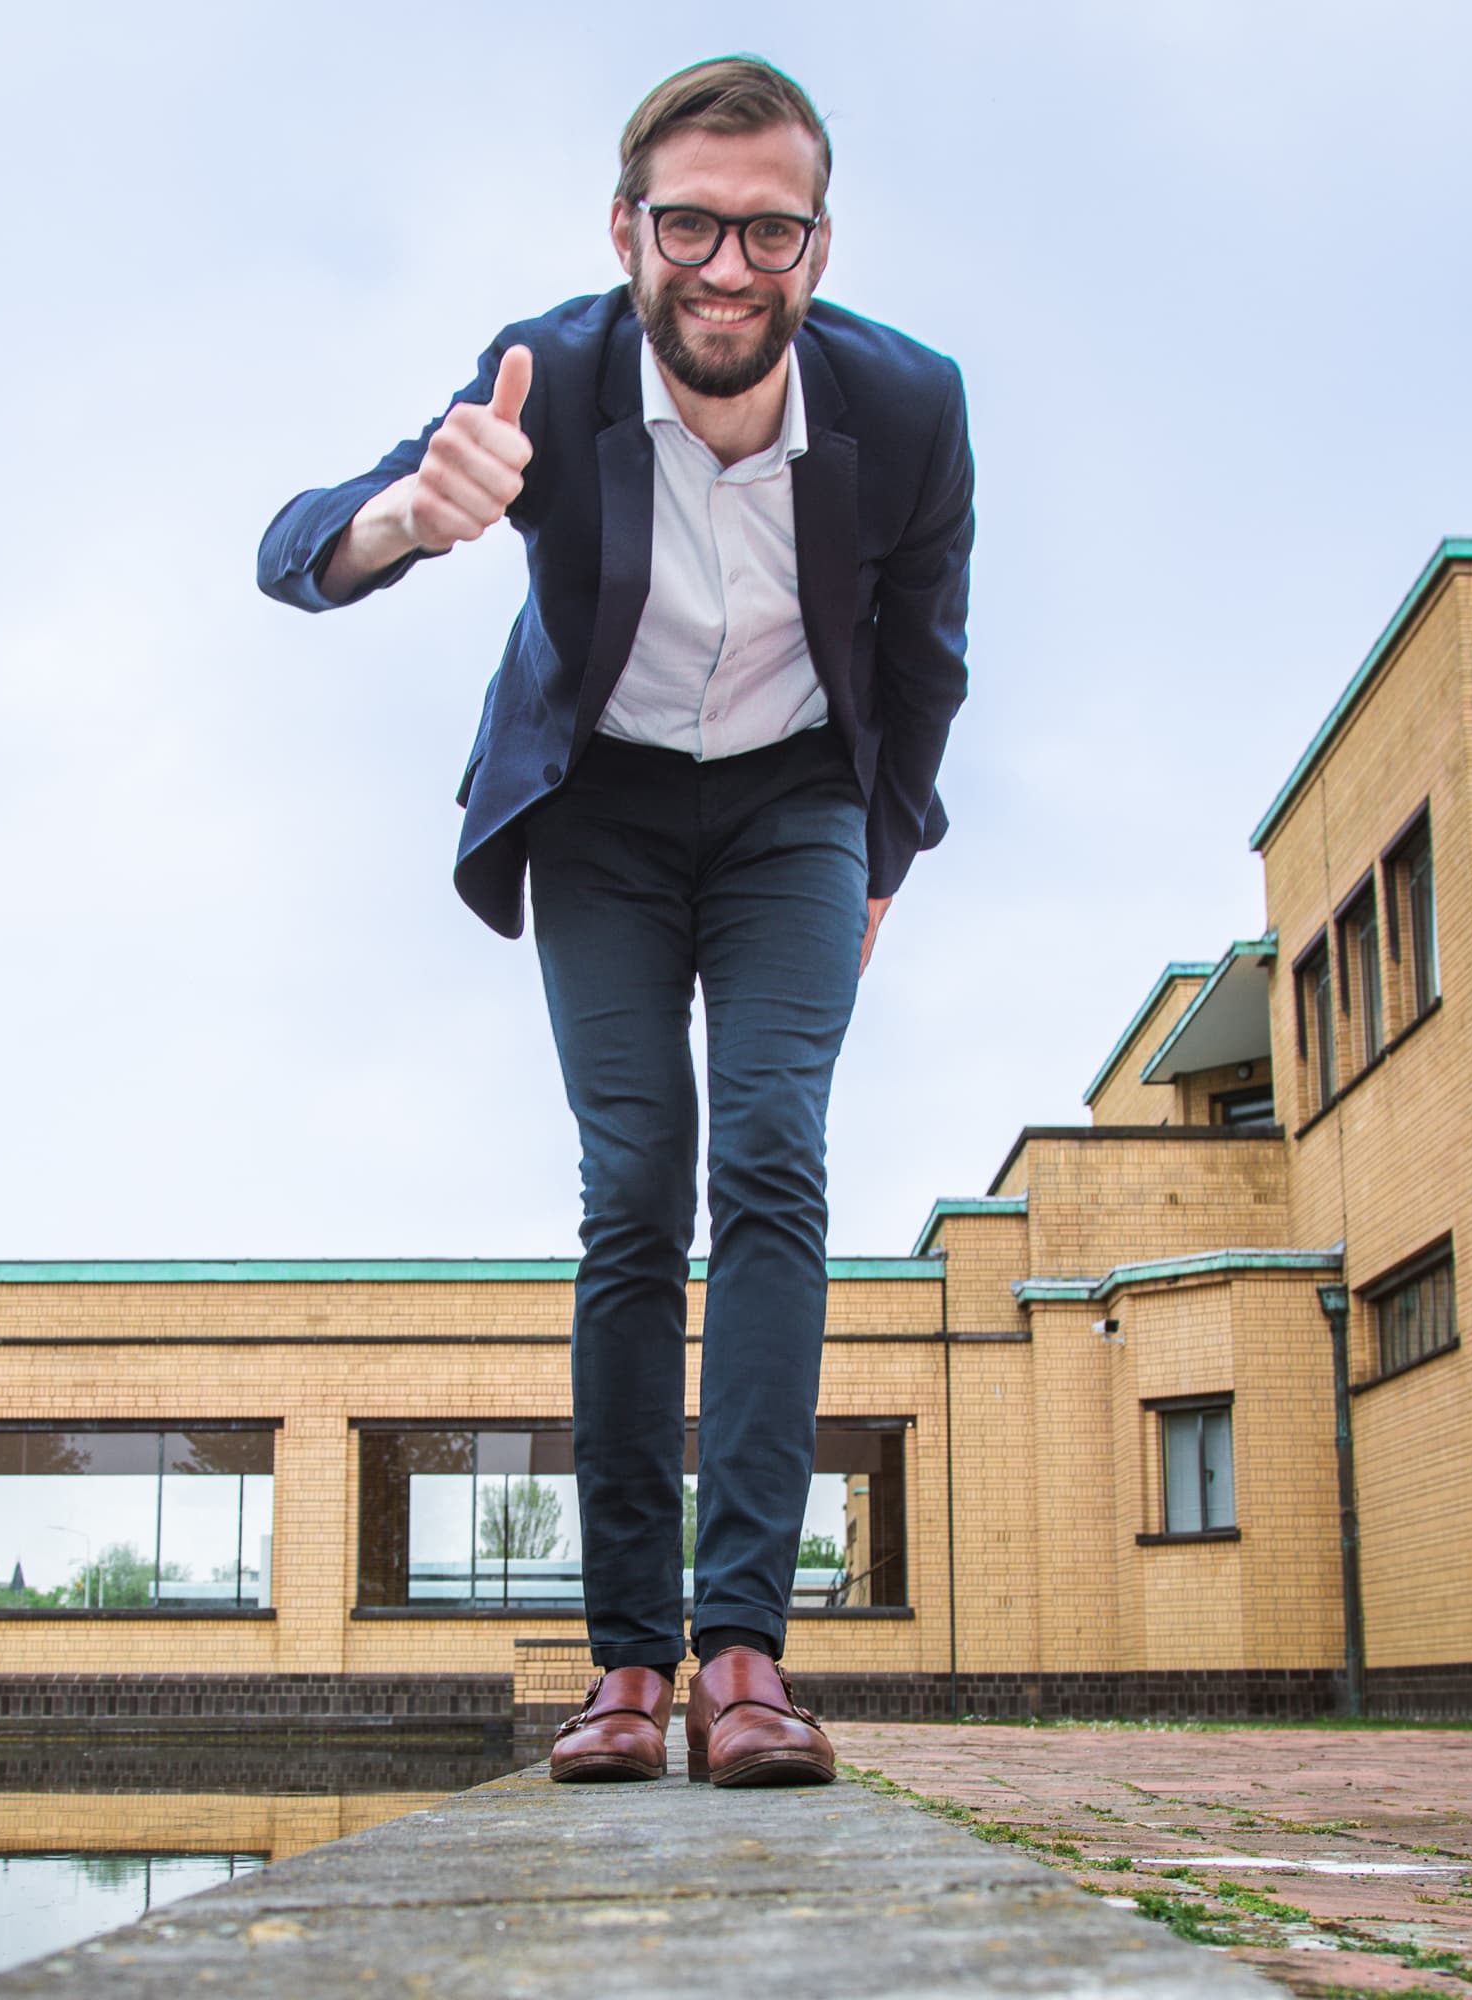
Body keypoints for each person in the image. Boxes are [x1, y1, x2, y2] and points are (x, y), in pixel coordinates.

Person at [256, 55, 973, 1788]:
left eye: (770, 230)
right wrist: (407, 524)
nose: (729, 268)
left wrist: (879, 859)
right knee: (636, 1184)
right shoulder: (548, 369)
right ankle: (629, 1667)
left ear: (819, 238)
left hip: (801, 802)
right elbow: (292, 548)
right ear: (627, 228)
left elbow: (927, 661)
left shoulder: (916, 404)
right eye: (691, 225)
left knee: (778, 1154)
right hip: (604, 813)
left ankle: (745, 1657)